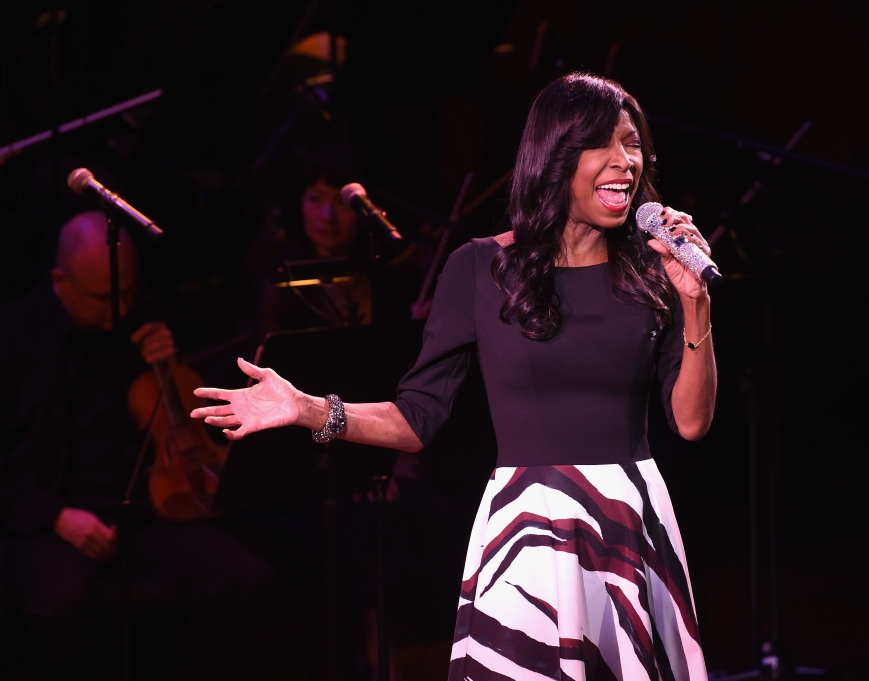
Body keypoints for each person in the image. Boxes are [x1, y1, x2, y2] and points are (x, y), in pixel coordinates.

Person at [192, 73, 716, 680]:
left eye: (634, 145)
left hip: (629, 521)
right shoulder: (479, 267)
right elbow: (416, 420)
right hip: (531, 529)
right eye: (605, 144)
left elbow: (692, 420)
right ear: (557, 155)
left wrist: (695, 303)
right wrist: (310, 409)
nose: (625, 162)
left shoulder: (651, 273)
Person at [0, 211, 277, 680]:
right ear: (59, 281)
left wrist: (167, 365)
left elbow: (176, 424)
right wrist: (55, 517)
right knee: (63, 603)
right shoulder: (12, 334)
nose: (120, 310)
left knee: (249, 581)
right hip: (46, 519)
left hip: (137, 512)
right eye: (103, 299)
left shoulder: (135, 330)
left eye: (128, 294)